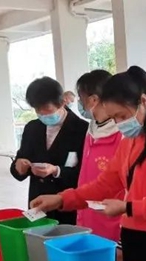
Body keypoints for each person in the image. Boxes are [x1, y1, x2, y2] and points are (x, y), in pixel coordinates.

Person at [30, 66, 146, 261]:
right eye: (114, 118)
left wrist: (128, 207)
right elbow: (105, 184)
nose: (119, 124)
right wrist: (61, 199)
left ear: (143, 101)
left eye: (121, 115)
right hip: (132, 236)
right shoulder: (131, 140)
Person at [10, 77, 88, 224]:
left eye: (47, 109)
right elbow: (19, 162)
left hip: (67, 207)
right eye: (37, 110)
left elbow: (86, 174)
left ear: (62, 102)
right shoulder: (32, 128)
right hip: (38, 205)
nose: (42, 114)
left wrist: (56, 170)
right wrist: (19, 167)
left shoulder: (82, 129)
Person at [75, 69, 124, 241]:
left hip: (113, 216)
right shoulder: (91, 130)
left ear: (93, 100)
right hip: (87, 213)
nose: (79, 103)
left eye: (80, 98)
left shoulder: (123, 134)